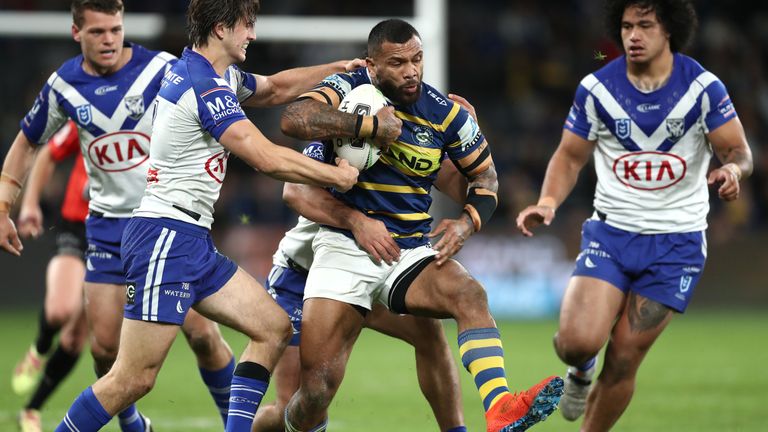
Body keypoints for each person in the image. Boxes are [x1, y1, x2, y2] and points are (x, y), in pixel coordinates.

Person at [0, 1, 354, 430]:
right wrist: (333, 173)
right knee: (131, 378)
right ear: (222, 29)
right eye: (247, 26)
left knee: (272, 327)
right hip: (164, 238)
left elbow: (275, 88)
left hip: (190, 239)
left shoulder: (210, 74)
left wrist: (341, 70)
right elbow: (263, 155)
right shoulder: (201, 83)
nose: (253, 36)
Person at [279, 19, 563, 432]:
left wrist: (468, 222)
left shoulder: (446, 115)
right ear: (373, 67)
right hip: (343, 249)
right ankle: (285, 425)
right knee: (317, 391)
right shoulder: (349, 89)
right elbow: (294, 117)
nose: (411, 70)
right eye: (397, 63)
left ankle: (501, 407)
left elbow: (486, 180)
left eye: (416, 59)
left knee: (469, 294)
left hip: (407, 252)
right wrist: (370, 128)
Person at [515, 1, 754, 430]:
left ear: (670, 31)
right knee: (574, 343)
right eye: (626, 26)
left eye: (645, 25)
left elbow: (738, 150)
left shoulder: (703, 88)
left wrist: (733, 169)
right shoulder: (597, 89)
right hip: (612, 233)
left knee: (624, 358)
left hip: (676, 243)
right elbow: (569, 157)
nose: (633, 35)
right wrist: (547, 202)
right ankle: (581, 369)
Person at [253, 95, 476, 431]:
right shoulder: (343, 131)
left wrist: (465, 138)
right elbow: (294, 192)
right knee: (294, 407)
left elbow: (465, 188)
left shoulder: (412, 144)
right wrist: (356, 220)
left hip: (371, 271)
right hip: (304, 276)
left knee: (429, 335)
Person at [12, 120, 89, 432]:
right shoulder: (93, 106)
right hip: (78, 225)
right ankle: (40, 348)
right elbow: (47, 153)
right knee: (60, 310)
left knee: (76, 339)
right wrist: (30, 204)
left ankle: (32, 409)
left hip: (123, 233)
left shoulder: (161, 113)